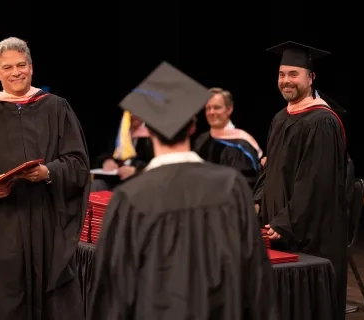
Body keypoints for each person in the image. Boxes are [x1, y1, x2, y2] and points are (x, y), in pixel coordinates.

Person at [88, 61, 278, 320]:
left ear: (148, 130)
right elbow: (256, 280)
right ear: (192, 126)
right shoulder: (230, 187)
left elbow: (114, 291)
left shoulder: (131, 198)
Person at [0, 37, 90, 320]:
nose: (16, 72)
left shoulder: (56, 107)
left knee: (58, 303)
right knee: (11, 301)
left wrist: (48, 172)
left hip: (50, 221)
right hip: (5, 224)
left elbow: (78, 164)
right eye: (8, 67)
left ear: (31, 67)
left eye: (21, 65)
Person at [259, 41, 348, 319]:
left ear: (311, 78)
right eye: (282, 74)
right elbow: (270, 170)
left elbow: (315, 182)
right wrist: (256, 202)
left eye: (293, 74)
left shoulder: (322, 121)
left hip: (309, 232)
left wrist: (285, 223)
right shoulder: (280, 118)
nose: (286, 81)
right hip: (279, 228)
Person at [194, 87, 262, 188]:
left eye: (217, 107)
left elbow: (243, 185)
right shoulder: (201, 140)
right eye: (208, 108)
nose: (211, 112)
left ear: (229, 109)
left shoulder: (241, 145)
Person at [91, 111, 153, 191]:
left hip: (137, 182)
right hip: (114, 180)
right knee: (96, 185)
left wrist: (135, 170)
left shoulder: (150, 136)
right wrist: (107, 161)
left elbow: (156, 164)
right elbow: (103, 154)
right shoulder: (120, 130)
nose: (134, 115)